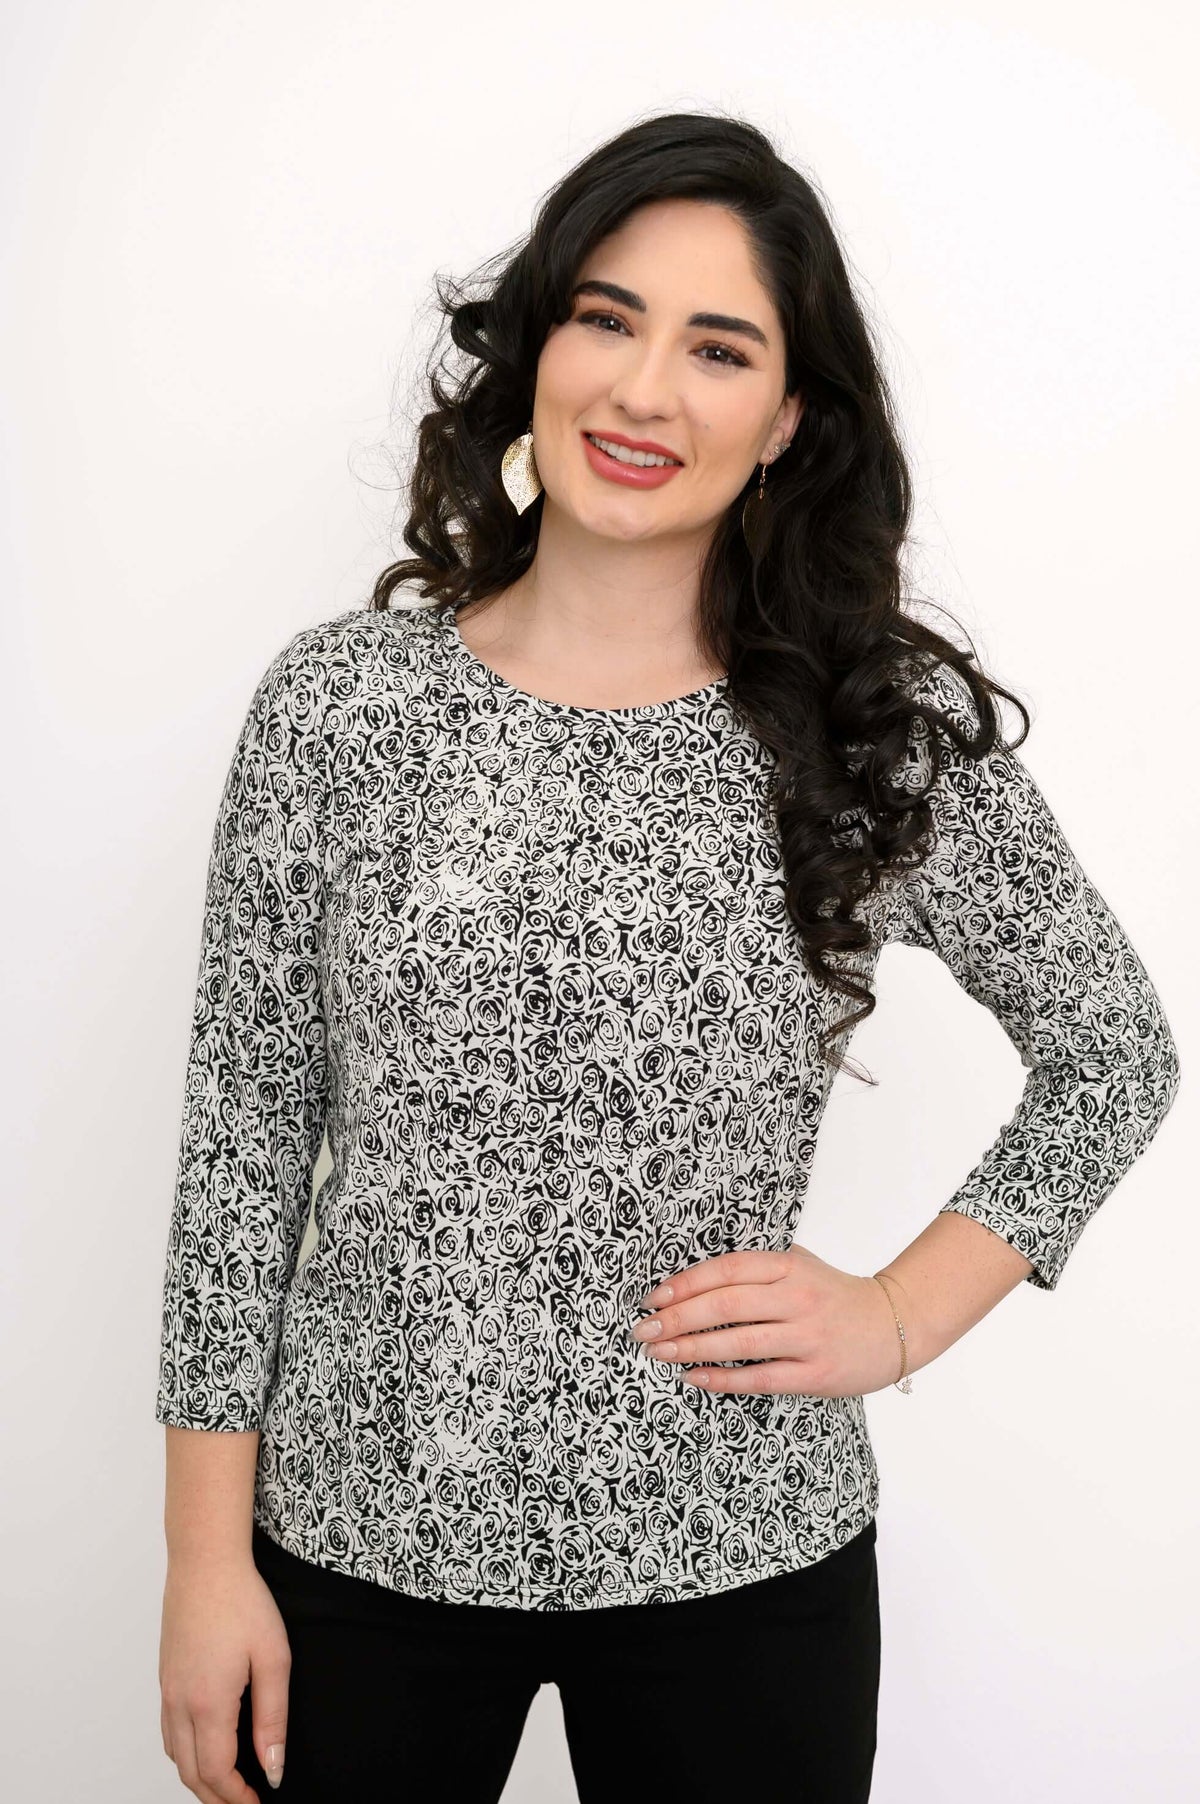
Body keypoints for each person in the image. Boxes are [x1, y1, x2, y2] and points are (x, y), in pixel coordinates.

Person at [154, 112, 1180, 1804]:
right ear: (540, 348)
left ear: (786, 420)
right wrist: (206, 1560)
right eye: (607, 319)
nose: (644, 393)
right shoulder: (341, 708)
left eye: (719, 349)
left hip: (743, 1550)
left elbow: (1114, 1050)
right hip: (353, 1541)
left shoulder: (869, 734)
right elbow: (242, 1152)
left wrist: (903, 1314)